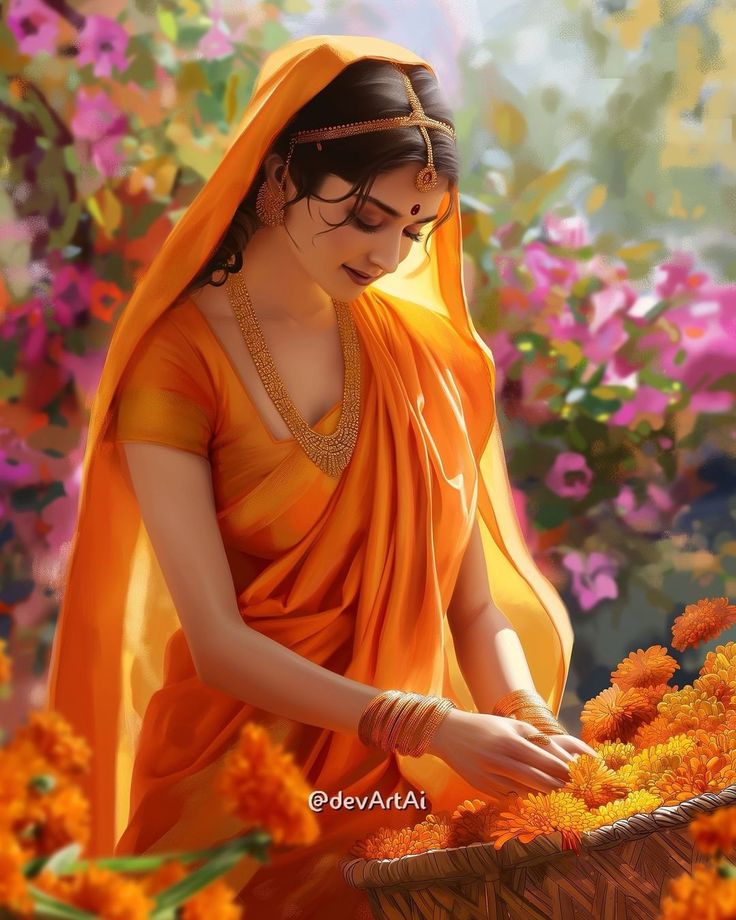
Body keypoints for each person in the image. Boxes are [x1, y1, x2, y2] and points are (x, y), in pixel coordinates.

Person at [44, 34, 597, 918]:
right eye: (368, 216)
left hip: (398, 794)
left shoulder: (421, 359)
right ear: (277, 178)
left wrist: (524, 719)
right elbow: (219, 644)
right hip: (235, 802)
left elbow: (473, 606)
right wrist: (430, 724)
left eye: (415, 230)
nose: (387, 254)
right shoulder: (176, 363)